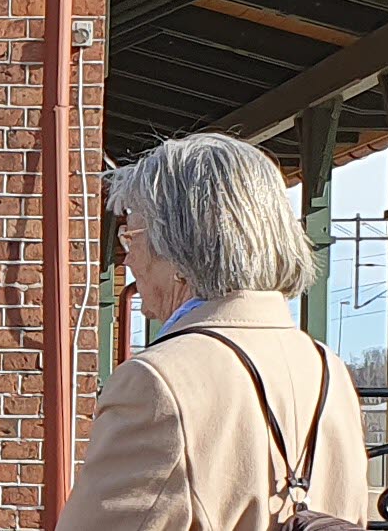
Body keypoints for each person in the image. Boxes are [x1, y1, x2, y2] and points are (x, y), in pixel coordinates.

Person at [57, 132, 371, 531]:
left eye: (131, 235)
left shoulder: (157, 382)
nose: (127, 258)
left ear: (177, 251)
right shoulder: (328, 368)